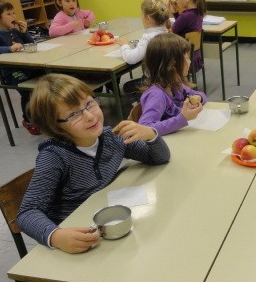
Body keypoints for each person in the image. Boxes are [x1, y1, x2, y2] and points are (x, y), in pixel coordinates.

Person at [17, 73, 170, 254]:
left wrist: (151, 135)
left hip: (106, 226)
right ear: (55, 126)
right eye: (74, 114)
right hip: (79, 237)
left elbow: (159, 158)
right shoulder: (54, 157)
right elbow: (27, 213)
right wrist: (56, 236)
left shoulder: (110, 137)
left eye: (89, 103)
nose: (89, 116)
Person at [0, 0, 43, 134]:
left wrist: (24, 32)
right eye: (9, 14)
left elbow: (31, 44)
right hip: (12, 73)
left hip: (27, 67)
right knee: (28, 91)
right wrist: (9, 48)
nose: (13, 16)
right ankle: (28, 120)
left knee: (48, 79)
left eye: (13, 13)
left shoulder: (14, 30)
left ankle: (44, 114)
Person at [138, 33, 206, 135]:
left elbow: (202, 95)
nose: (190, 61)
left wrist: (198, 98)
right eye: (187, 58)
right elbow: (145, 128)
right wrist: (183, 118)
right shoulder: (157, 95)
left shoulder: (175, 86)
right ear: (173, 65)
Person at [117, 0, 171, 97]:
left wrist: (124, 45)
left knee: (127, 87)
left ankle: (143, 103)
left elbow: (131, 58)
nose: (140, 18)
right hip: (168, 78)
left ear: (148, 18)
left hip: (153, 81)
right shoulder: (166, 32)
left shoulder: (148, 38)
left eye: (141, 15)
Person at [168, 0, 206, 74]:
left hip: (183, 60)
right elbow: (181, 27)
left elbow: (170, 34)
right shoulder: (197, 13)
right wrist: (175, 13)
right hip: (194, 57)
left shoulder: (185, 16)